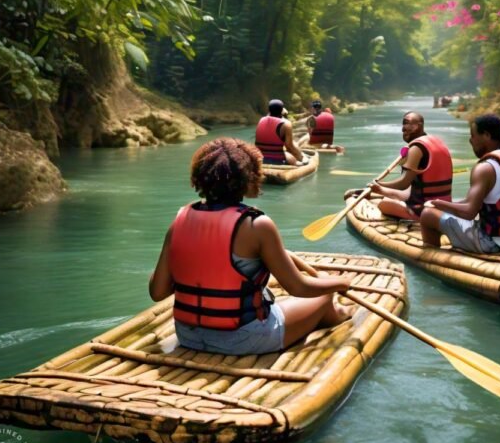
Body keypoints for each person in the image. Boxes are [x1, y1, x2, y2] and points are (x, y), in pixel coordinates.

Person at [148, 137, 352, 355]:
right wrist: (340, 283)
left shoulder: (179, 221)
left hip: (189, 335)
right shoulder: (257, 225)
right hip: (244, 340)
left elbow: (157, 292)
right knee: (324, 295)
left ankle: (334, 314)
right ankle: (339, 315)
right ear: (247, 178)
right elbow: (299, 288)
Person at [420, 113, 500, 253]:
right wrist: (446, 205)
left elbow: (469, 213)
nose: (470, 141)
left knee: (427, 214)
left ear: (486, 135)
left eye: (473, 135)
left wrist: (438, 204)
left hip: (495, 243)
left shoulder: (484, 168)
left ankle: (430, 257)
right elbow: (474, 203)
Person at [370, 111, 453, 220]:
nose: (403, 128)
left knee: (383, 204)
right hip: (445, 206)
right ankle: (379, 191)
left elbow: (403, 184)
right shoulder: (436, 141)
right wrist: (380, 189)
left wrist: (380, 184)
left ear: (417, 126)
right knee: (392, 194)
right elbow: (409, 190)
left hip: (425, 209)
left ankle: (413, 215)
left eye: (406, 123)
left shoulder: (416, 148)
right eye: (403, 124)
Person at [254, 98, 307, 165]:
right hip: (277, 161)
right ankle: (301, 160)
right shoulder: (286, 124)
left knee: (287, 154)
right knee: (293, 155)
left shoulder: (261, 120)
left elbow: (270, 118)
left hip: (258, 158)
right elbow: (289, 146)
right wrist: (301, 156)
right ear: (281, 110)